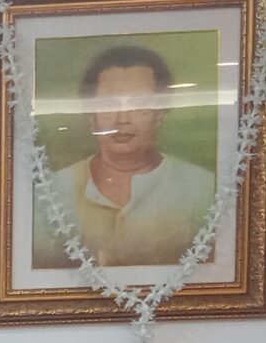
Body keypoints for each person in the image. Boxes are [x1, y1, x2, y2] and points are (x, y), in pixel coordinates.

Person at [37, 42, 217, 268]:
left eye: (138, 105)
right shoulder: (51, 194)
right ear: (91, 115)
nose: (122, 120)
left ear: (160, 114)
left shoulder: (203, 190)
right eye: (109, 105)